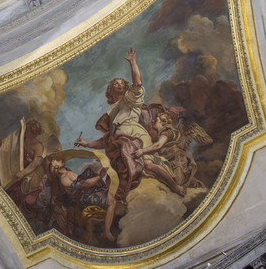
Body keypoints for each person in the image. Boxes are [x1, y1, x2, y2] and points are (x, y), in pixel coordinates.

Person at [74, 48, 188, 243]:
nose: (118, 85)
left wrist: (133, 63)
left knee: (148, 164)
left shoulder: (130, 100)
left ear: (125, 87)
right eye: (114, 84)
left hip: (134, 137)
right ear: (110, 91)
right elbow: (105, 141)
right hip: (118, 144)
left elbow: (137, 83)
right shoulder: (111, 114)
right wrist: (86, 143)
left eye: (121, 83)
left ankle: (175, 186)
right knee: (119, 176)